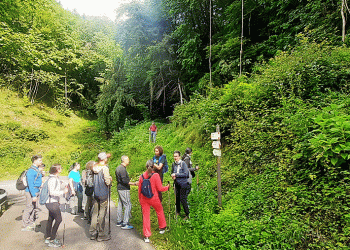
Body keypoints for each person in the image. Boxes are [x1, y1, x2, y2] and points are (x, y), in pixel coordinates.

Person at [138, 160, 170, 243]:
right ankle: (162, 228)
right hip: (154, 198)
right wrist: (167, 187)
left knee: (146, 216)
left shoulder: (141, 176)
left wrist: (140, 200)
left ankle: (147, 236)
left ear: (146, 166)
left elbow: (139, 190)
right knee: (159, 211)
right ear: (153, 167)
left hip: (144, 199)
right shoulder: (155, 175)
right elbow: (160, 188)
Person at [90, 152, 112, 241]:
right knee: (102, 214)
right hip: (103, 193)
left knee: (95, 213)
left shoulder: (94, 167)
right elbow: (107, 182)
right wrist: (110, 180)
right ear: (104, 159)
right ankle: (101, 234)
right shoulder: (105, 168)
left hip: (96, 193)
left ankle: (92, 233)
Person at [44, 164, 68, 248]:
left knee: (51, 219)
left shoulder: (54, 178)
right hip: (51, 203)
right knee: (59, 220)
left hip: (52, 202)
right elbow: (52, 192)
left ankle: (48, 237)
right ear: (57, 170)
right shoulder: (53, 179)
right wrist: (63, 192)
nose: (61, 169)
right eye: (60, 168)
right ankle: (52, 240)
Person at [22, 155, 45, 231]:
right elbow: (30, 184)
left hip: (36, 191)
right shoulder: (31, 171)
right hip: (31, 192)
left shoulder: (36, 169)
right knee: (29, 208)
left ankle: (31, 223)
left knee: (33, 208)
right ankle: (25, 225)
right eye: (39, 160)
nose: (41, 162)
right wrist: (33, 195)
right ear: (34, 161)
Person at [115, 155, 138, 229]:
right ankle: (125, 223)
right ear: (124, 160)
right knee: (128, 205)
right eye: (127, 159)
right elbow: (124, 181)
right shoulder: (122, 169)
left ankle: (119, 221)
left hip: (119, 188)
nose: (129, 160)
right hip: (124, 189)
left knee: (120, 204)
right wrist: (134, 183)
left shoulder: (118, 168)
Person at [171, 151, 190, 220]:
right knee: (177, 198)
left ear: (179, 156)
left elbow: (186, 174)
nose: (175, 158)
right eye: (174, 156)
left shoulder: (183, 163)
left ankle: (187, 214)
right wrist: (173, 176)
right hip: (177, 183)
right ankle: (178, 212)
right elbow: (172, 172)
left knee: (183, 199)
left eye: (176, 156)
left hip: (183, 184)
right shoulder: (173, 164)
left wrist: (176, 175)